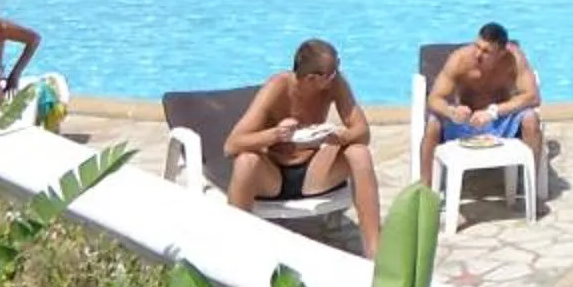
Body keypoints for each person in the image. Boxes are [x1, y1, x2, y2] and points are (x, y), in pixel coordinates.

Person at [223, 38, 382, 251]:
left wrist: (337, 137)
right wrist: (276, 134)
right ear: (311, 78)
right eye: (332, 73)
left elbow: (362, 132)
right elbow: (232, 145)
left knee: (359, 153)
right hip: (274, 176)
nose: (337, 75)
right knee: (245, 162)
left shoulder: (336, 85)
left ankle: (374, 251)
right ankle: (234, 249)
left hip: (313, 171)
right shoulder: (278, 87)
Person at [419, 21, 549, 197]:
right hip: (465, 122)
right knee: (433, 124)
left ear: (502, 52)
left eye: (486, 51)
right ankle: (425, 190)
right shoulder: (460, 59)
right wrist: (452, 112)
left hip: (498, 121)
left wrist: (493, 112)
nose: (478, 54)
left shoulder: (514, 59)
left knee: (531, 120)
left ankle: (530, 189)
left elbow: (533, 96)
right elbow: (434, 99)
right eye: (477, 46)